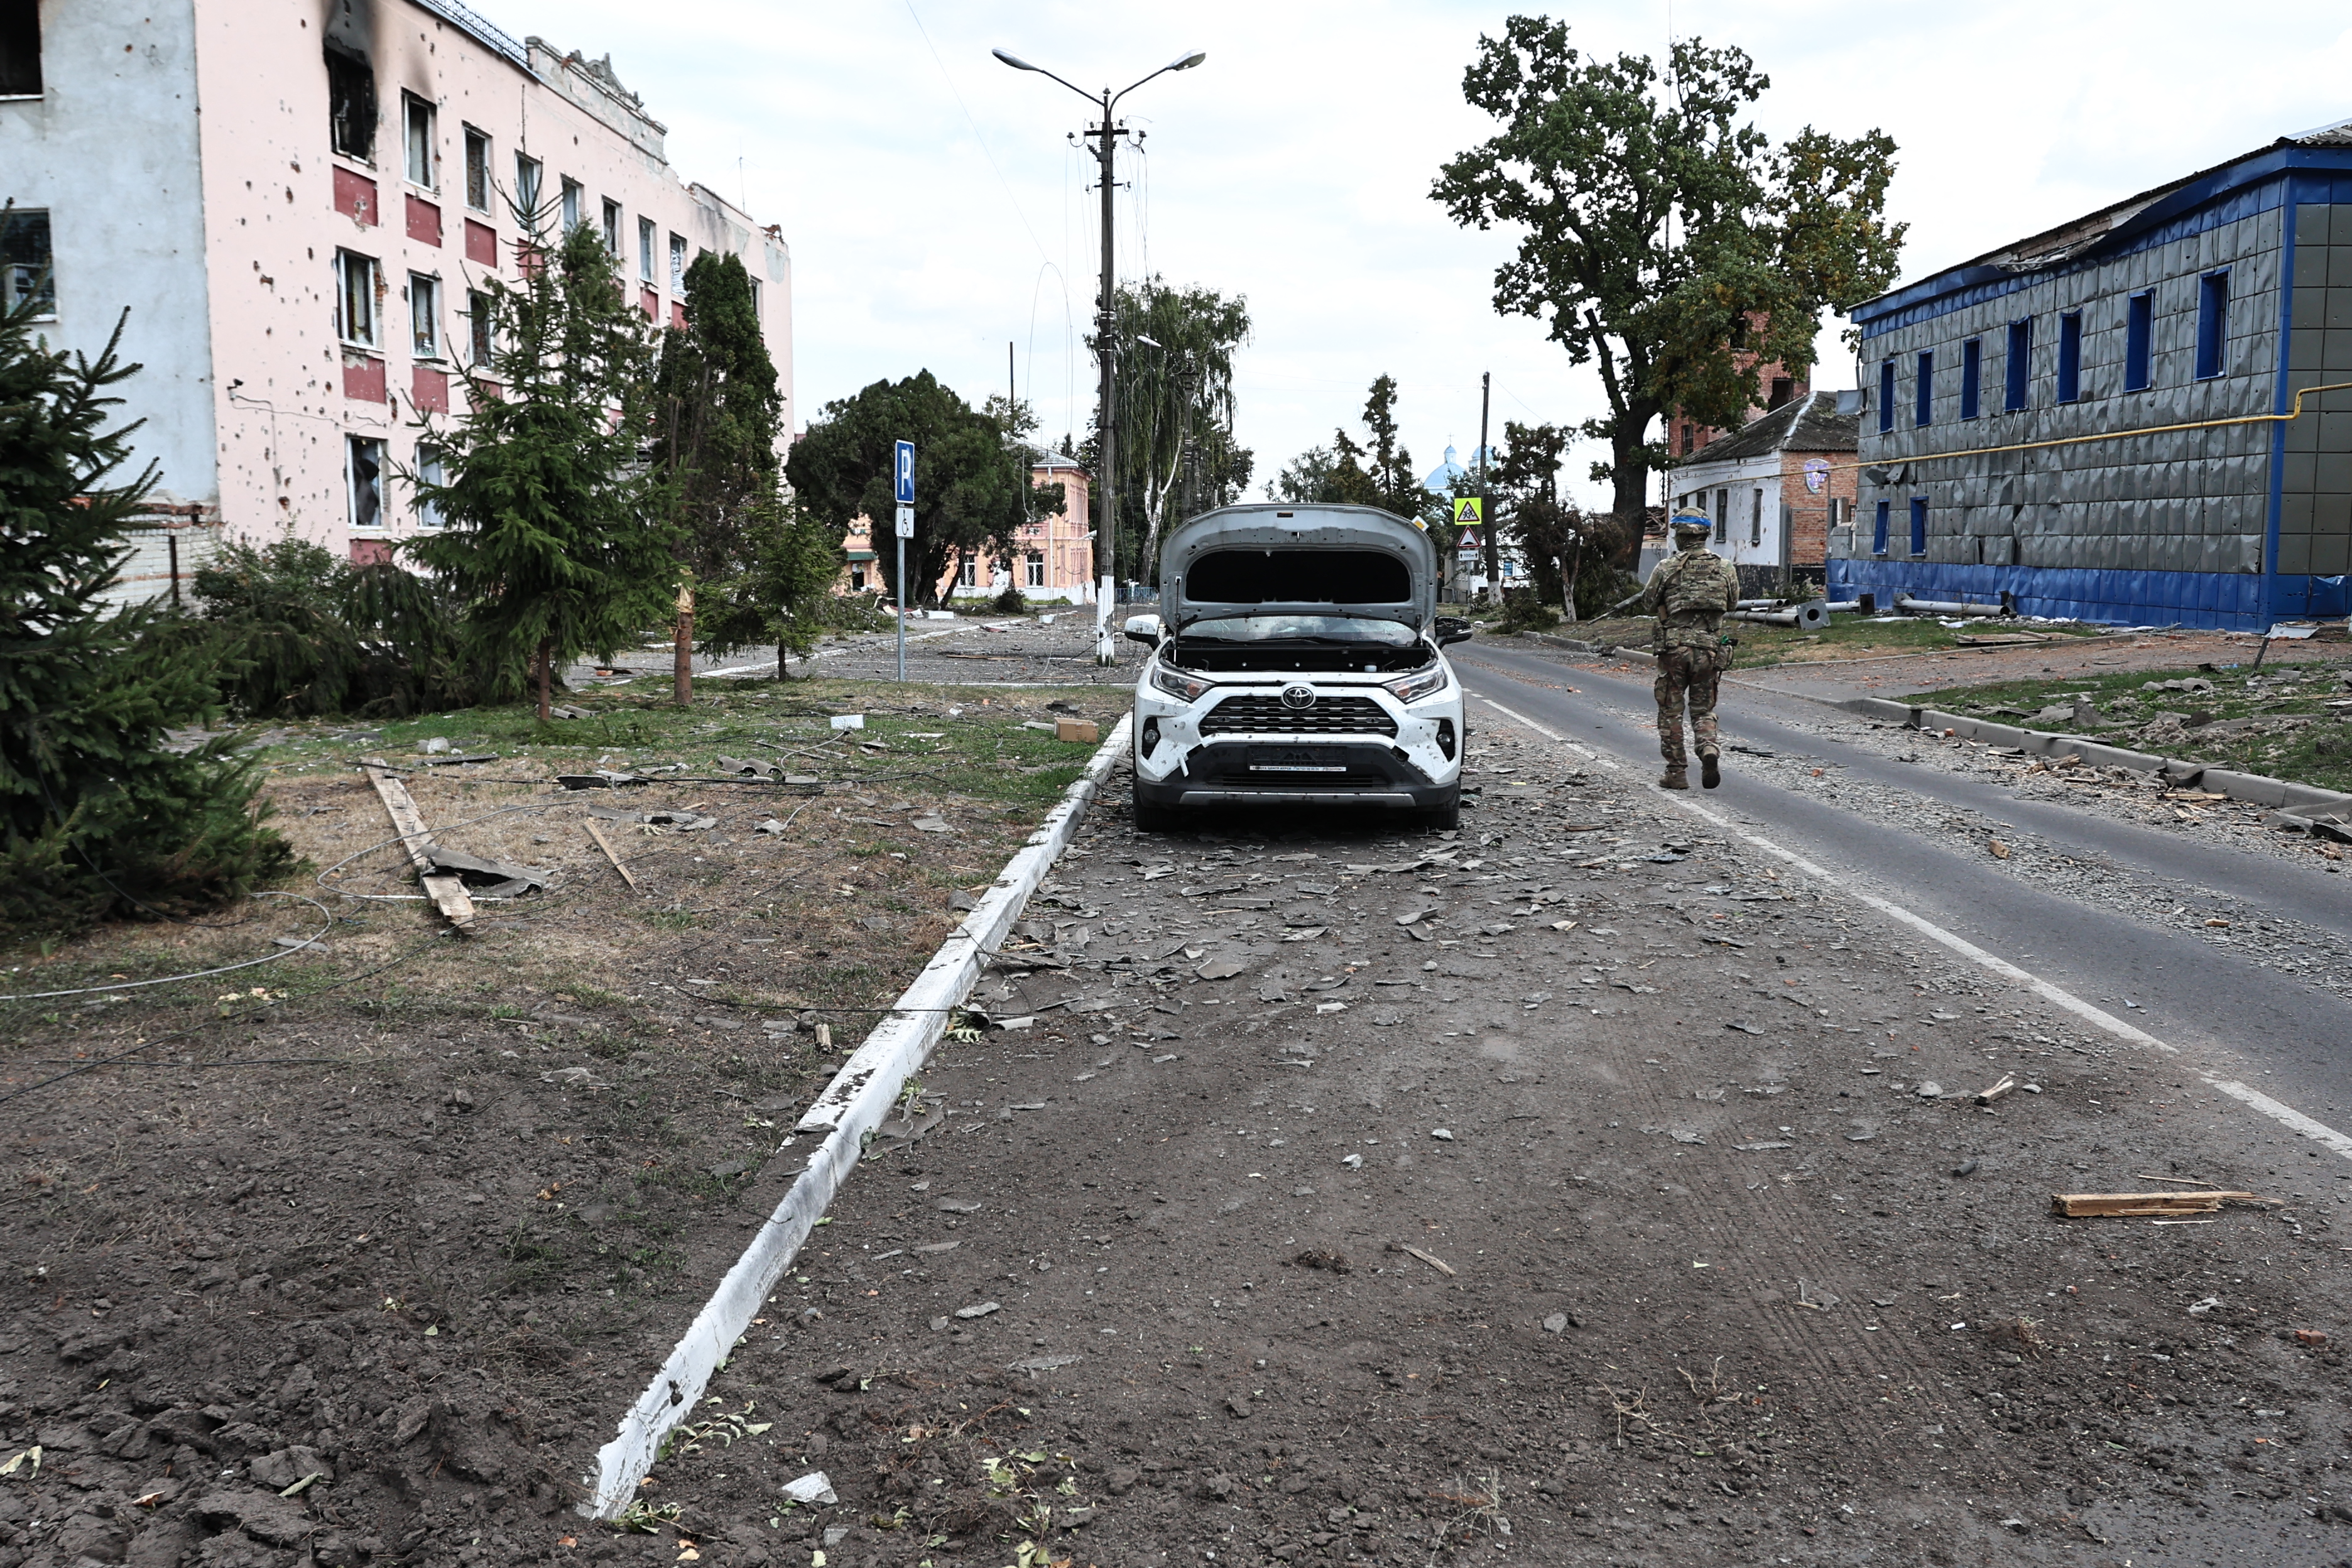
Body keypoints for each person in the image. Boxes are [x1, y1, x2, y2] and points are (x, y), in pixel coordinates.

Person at [1633, 513, 1740, 790]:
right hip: (1710, 650)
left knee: (1671, 711)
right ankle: (1708, 749)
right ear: (1705, 535)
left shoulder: (1667, 568)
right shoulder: (1725, 568)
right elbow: (1732, 604)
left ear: (1680, 536)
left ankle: (1677, 773)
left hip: (1675, 651)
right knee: (1703, 709)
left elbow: (1648, 603)